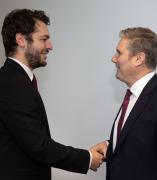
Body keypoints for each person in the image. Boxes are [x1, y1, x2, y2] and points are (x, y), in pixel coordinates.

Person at [0, 9, 107, 180]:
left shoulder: (16, 79)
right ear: (21, 40)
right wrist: (87, 158)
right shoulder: (13, 83)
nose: (50, 46)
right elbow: (38, 146)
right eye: (43, 39)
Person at [106, 27, 157, 180]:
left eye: (119, 53)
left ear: (138, 59)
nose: (114, 58)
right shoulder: (133, 96)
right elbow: (142, 142)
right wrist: (111, 145)